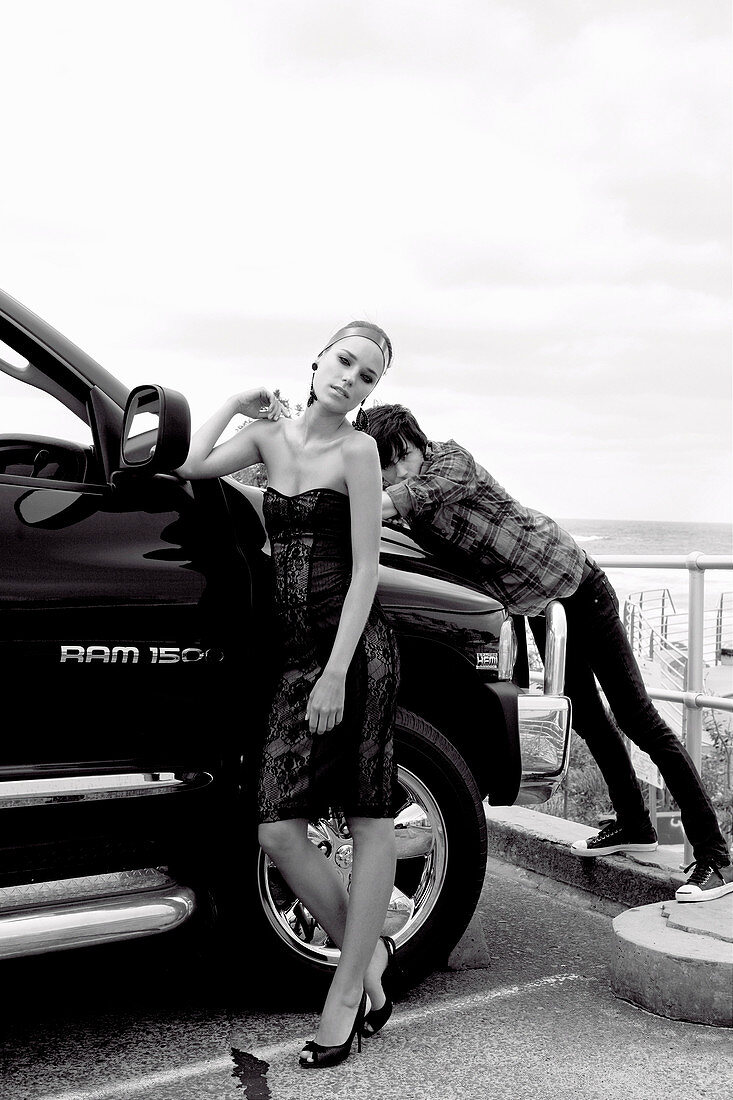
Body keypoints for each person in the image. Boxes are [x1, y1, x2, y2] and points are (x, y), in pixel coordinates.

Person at [365, 403, 733, 904]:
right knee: (588, 719)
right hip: (539, 605)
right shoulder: (413, 507)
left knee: (638, 716)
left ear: (417, 444)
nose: (396, 472)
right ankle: (634, 823)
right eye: (384, 466)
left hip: (580, 588)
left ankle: (716, 855)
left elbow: (409, 496)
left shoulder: (451, 463)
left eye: (400, 457)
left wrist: (353, 491)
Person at [176, 323, 400, 1068]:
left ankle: (343, 998)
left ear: (370, 391)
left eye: (366, 375)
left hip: (355, 653)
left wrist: (337, 672)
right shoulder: (270, 439)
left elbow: (366, 568)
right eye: (343, 361)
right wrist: (236, 402)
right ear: (317, 360)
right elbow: (192, 465)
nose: (349, 378)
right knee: (276, 828)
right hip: (295, 656)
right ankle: (367, 961)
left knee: (369, 820)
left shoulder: (358, 451)